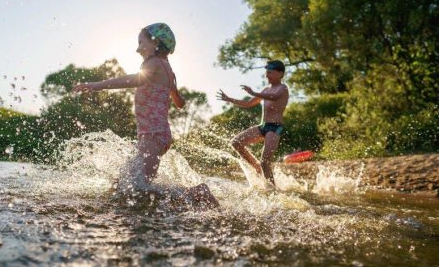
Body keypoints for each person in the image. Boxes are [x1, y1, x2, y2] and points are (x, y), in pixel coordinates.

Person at [73, 23, 219, 208]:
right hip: (158, 134)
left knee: (139, 187)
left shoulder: (153, 63)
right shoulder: (168, 69)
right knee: (123, 184)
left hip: (153, 134)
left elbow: (134, 79)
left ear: (155, 42)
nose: (137, 48)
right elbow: (180, 103)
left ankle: (198, 192)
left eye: (141, 42)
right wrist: (172, 86)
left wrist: (97, 85)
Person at [217, 60, 289, 187]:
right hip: (263, 126)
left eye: (270, 73)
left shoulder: (283, 88)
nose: (267, 76)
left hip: (275, 128)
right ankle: (256, 166)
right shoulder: (266, 89)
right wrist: (229, 99)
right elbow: (249, 103)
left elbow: (274, 97)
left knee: (265, 162)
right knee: (236, 142)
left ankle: (272, 190)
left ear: (280, 74)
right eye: (266, 73)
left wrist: (253, 92)